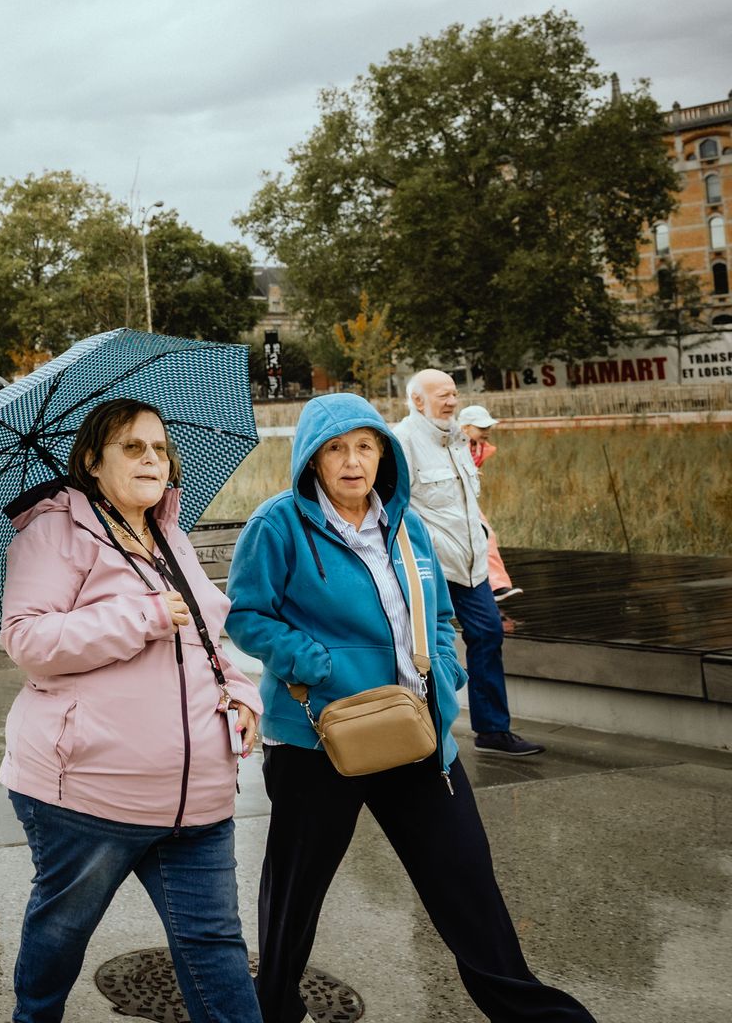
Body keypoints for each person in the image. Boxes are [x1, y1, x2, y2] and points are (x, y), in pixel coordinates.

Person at [226, 393, 593, 1023]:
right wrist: (316, 663)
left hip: (417, 736)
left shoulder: (406, 523)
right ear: (312, 459)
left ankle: (539, 1016)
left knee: (470, 887)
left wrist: (443, 674)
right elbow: (247, 616)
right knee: (294, 899)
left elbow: (443, 614)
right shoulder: (277, 523)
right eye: (336, 449)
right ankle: (272, 1008)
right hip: (319, 742)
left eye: (365, 446)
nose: (351, 462)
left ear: (383, 453)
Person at [0, 398, 262, 1023]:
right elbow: (29, 642)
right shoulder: (53, 532)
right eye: (133, 447)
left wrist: (242, 692)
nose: (152, 458)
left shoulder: (168, 533)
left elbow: (204, 636)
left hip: (196, 796)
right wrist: (139, 616)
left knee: (215, 947)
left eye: (160, 448)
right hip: (89, 795)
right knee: (61, 934)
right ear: (92, 460)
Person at [396, 370, 542, 757]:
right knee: (423, 650)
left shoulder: (458, 438)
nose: (452, 401)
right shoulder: (403, 442)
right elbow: (394, 509)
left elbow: (467, 503)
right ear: (417, 400)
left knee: (489, 632)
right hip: (430, 569)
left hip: (471, 565)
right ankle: (420, 731)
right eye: (442, 395)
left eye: (454, 393)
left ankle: (493, 730)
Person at [457, 404, 522, 603]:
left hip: (466, 502)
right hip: (447, 503)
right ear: (465, 428)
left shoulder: (478, 448)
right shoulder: (453, 447)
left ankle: (497, 585)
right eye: (481, 427)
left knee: (486, 536)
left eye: (488, 427)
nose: (487, 431)